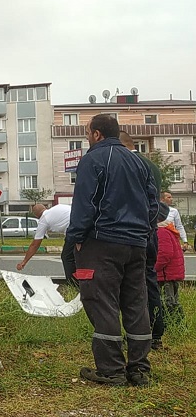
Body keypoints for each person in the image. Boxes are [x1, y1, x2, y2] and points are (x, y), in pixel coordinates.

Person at [69, 114, 158, 387]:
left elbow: (84, 204)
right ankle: (139, 370)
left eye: (87, 132)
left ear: (96, 134)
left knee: (102, 302)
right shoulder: (140, 163)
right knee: (135, 304)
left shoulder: (93, 159)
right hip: (136, 243)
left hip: (102, 242)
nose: (87, 137)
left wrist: (76, 237)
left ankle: (111, 371)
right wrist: (144, 232)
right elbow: (153, 204)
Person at [119, 131, 165, 350]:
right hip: (151, 230)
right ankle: (156, 332)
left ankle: (136, 333)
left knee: (129, 284)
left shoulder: (127, 165)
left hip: (130, 231)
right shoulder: (152, 166)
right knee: (149, 279)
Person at [16, 203, 76, 285]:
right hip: (84, 224)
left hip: (74, 231)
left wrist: (24, 261)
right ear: (45, 208)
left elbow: (35, 244)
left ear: (36, 216)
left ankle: (73, 284)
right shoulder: (57, 207)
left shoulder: (44, 220)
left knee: (66, 257)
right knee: (78, 255)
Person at [154, 203, 186, 326]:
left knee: (168, 302)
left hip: (166, 274)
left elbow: (164, 254)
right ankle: (177, 325)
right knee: (172, 300)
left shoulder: (161, 232)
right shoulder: (168, 230)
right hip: (171, 273)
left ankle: (175, 324)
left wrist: (155, 268)